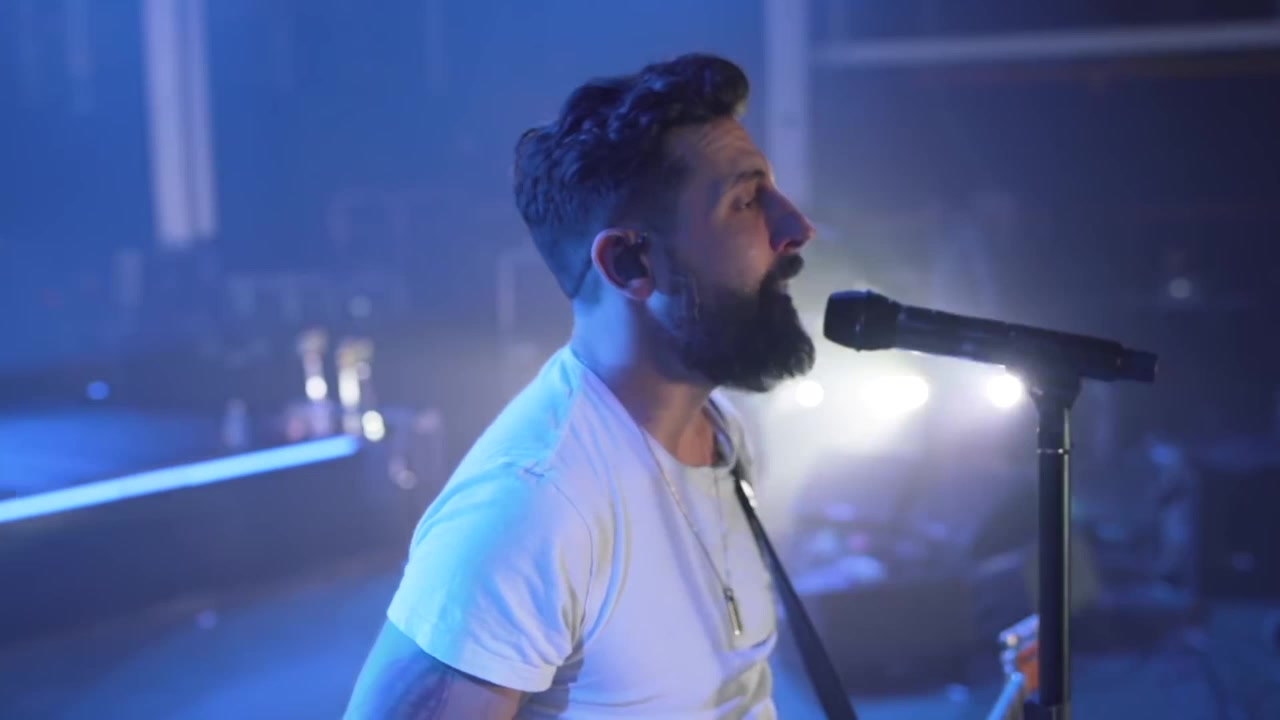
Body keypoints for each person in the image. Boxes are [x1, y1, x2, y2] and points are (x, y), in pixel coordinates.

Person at [346, 52, 817, 719]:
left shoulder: (721, 432)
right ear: (628, 263)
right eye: (744, 202)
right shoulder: (532, 503)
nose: (796, 228)